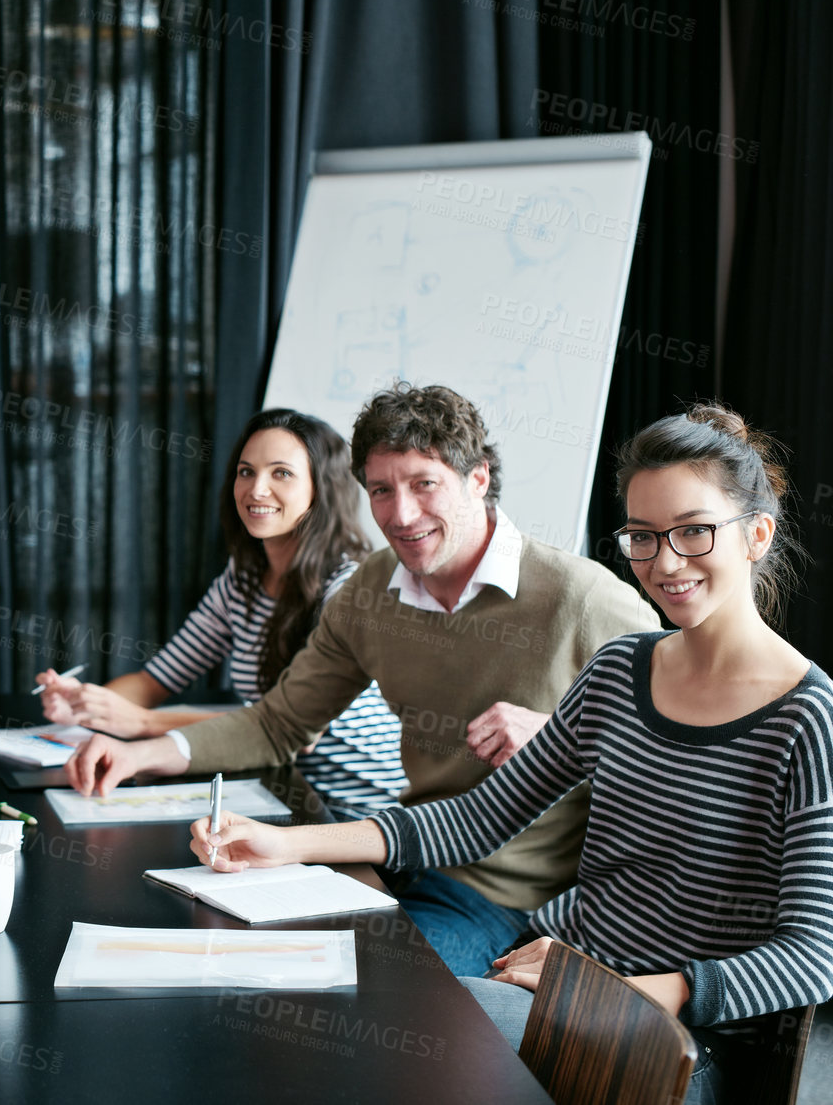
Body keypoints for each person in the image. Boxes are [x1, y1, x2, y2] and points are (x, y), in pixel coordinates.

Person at [190, 404, 833, 1102]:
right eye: (643, 537)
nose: (665, 561)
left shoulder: (807, 712)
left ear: (756, 534)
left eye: (692, 531)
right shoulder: (621, 668)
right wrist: (283, 844)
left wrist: (615, 992)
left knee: (375, 1037)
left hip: (674, 1039)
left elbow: (812, 956)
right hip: (552, 975)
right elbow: (472, 819)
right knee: (327, 1017)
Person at [66, 382, 659, 977]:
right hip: (402, 851)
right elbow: (278, 723)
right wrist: (138, 753)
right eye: (381, 490)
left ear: (478, 480)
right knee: (225, 946)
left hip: (505, 897)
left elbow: (676, 774)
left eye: (424, 484)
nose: (400, 516)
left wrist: (564, 737)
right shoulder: (371, 591)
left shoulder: (585, 600)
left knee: (357, 990)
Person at [36, 408, 407, 820]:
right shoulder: (242, 579)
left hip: (356, 813)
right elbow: (154, 680)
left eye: (281, 473)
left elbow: (293, 733)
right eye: (246, 472)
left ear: (322, 489)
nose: (256, 489)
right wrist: (87, 706)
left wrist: (141, 723)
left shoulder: (346, 589)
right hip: (274, 793)